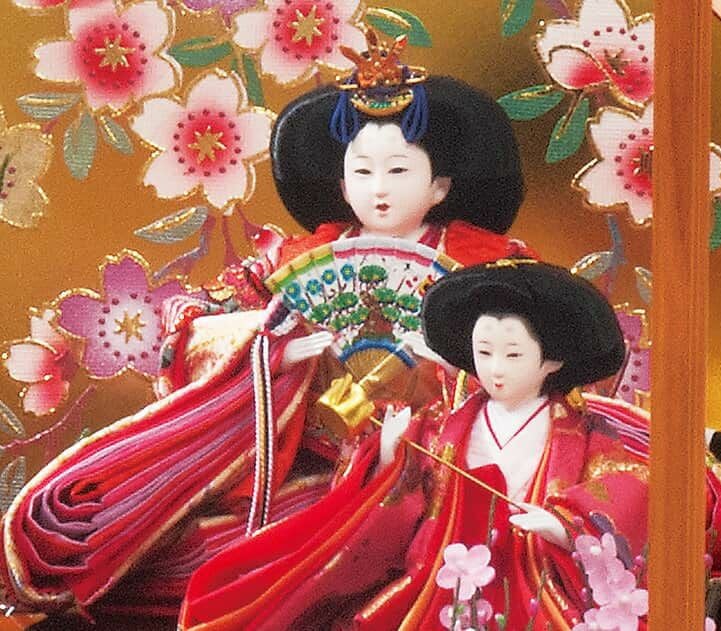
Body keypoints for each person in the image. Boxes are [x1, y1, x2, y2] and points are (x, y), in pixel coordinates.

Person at [0, 33, 535, 618]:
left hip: (437, 461)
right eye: (362, 171)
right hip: (318, 462)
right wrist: (271, 349)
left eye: (399, 169)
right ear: (342, 185)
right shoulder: (298, 258)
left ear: (439, 186)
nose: (379, 188)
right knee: (199, 551)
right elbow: (190, 326)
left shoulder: (484, 263)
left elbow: (540, 354)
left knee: (404, 541)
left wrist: (457, 359)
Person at [179, 259, 721, 630]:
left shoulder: (584, 433)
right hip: (441, 582)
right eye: (483, 353)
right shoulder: (439, 425)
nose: (495, 369)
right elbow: (398, 509)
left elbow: (630, 488)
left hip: (538, 580)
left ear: (552, 360)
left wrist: (565, 526)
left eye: (512, 355)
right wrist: (392, 458)